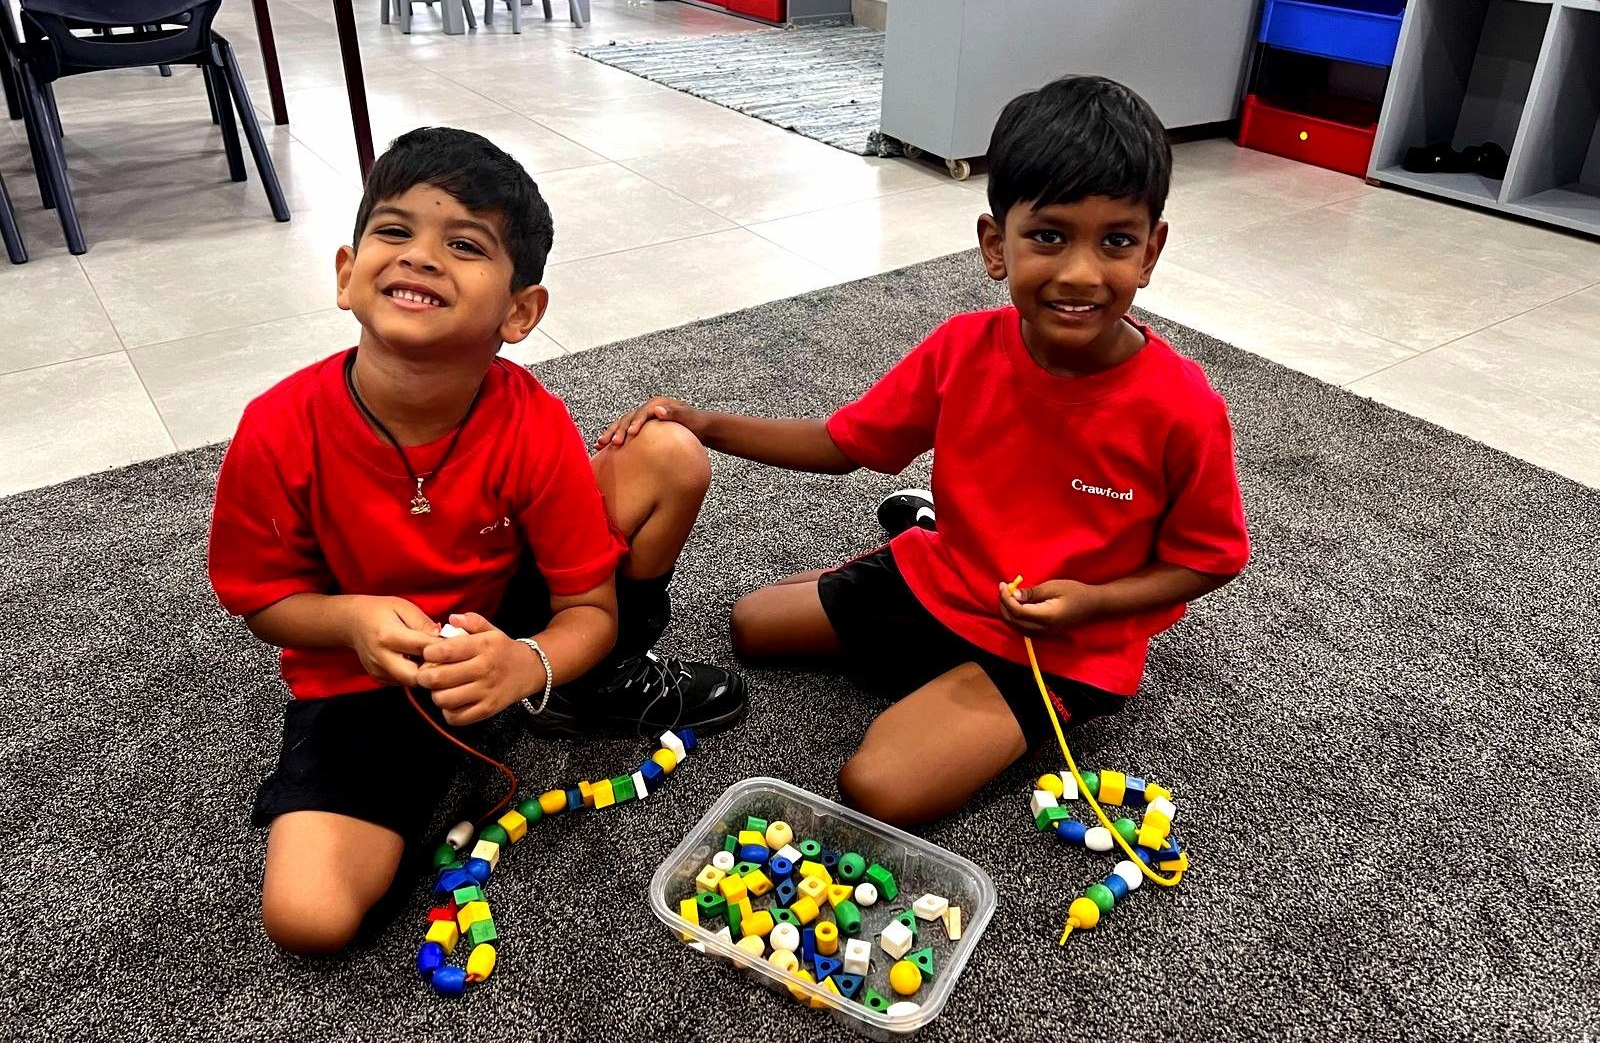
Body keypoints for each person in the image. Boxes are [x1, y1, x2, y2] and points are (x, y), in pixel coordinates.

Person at [598, 75, 1249, 828]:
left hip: (1062, 642)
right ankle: (918, 540)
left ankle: (940, 585)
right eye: (1048, 236)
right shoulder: (963, 350)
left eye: (1116, 241)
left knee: (881, 787)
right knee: (750, 626)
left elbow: (1211, 557)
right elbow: (843, 444)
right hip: (948, 578)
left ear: (1151, 250)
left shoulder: (1181, 404)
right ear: (993, 245)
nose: (1079, 272)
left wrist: (1095, 602)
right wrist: (705, 422)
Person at [207, 127, 746, 954]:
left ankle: (575, 692)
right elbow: (264, 599)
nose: (419, 257)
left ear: (520, 312)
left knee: (667, 456)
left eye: (463, 244)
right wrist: (350, 622)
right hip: (361, 674)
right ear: (347, 275)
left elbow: (585, 608)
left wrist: (529, 661)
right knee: (307, 918)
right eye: (395, 232)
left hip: (508, 612)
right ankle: (470, 731)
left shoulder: (530, 421)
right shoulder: (277, 429)